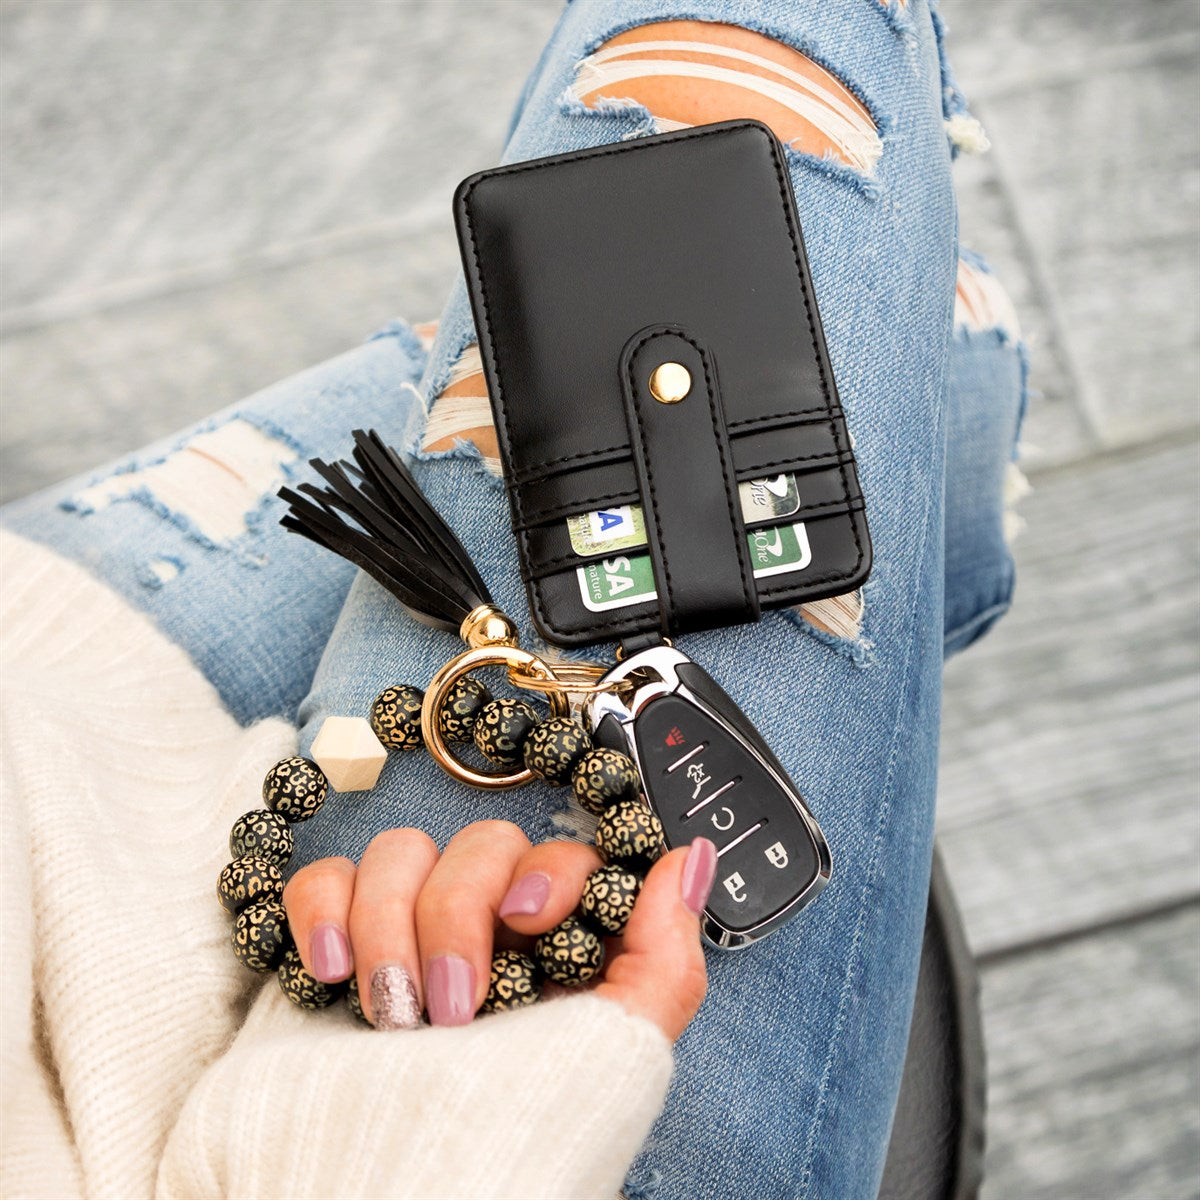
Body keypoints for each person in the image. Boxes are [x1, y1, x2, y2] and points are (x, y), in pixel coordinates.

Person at [0, 2, 1027, 1197]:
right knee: (768, 57)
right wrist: (456, 1133)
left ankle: (941, 364)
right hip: (348, 1132)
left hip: (48, 717)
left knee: (571, 310)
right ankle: (944, 356)